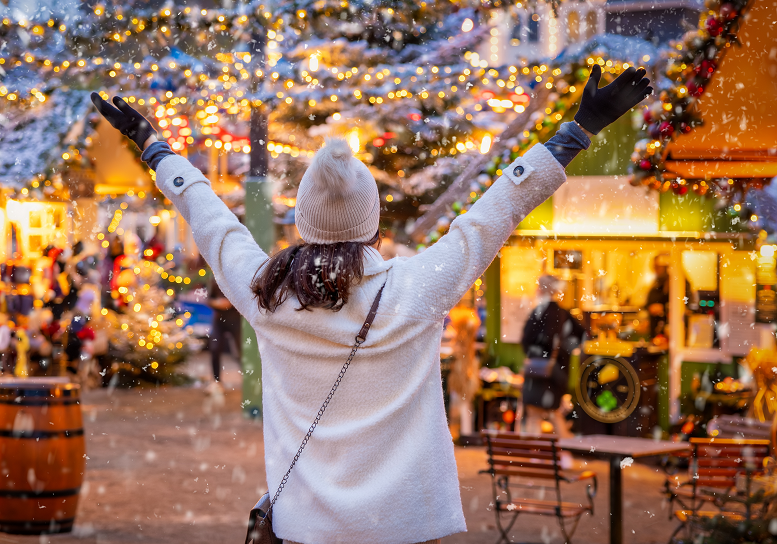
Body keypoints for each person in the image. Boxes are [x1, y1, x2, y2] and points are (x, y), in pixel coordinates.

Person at [93, 63, 651, 544]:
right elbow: (496, 209)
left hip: (306, 529)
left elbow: (210, 219)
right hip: (404, 528)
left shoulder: (266, 294)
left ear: (304, 223)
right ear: (372, 224)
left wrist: (155, 146)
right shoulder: (416, 289)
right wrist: (578, 131)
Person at [521, 275, 585, 436]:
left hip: (537, 372)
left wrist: (537, 354)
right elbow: (582, 336)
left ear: (541, 289)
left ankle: (535, 458)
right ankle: (564, 455)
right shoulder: (564, 314)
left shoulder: (538, 313)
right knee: (554, 413)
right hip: (558, 373)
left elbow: (526, 340)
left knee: (534, 415)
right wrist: (563, 354)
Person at [445, 292, 481, 439]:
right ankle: (465, 432)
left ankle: (464, 433)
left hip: (463, 370)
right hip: (467, 368)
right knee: (464, 402)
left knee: (462, 402)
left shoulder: (461, 334)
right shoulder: (468, 333)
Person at [207, 276, 241, 390]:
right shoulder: (214, 279)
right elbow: (209, 299)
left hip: (235, 321)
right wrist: (216, 303)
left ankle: (248, 378)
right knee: (215, 348)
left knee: (241, 351)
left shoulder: (236, 278)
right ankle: (216, 381)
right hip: (219, 321)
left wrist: (230, 303)